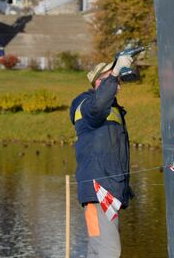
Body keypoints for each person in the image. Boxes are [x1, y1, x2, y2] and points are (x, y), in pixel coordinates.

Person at [69, 55, 135, 258]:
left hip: (107, 190)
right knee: (108, 250)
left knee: (99, 249)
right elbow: (97, 107)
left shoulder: (112, 109)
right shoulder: (86, 104)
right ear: (99, 81)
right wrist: (115, 73)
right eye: (112, 79)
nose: (118, 85)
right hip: (99, 191)